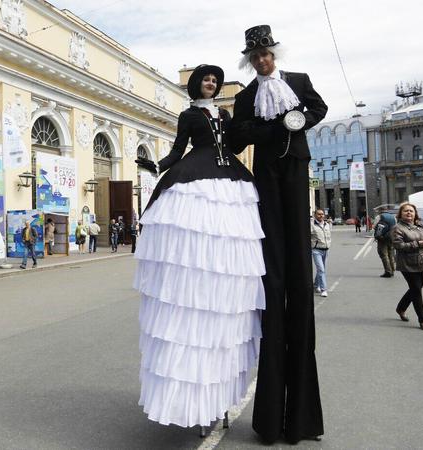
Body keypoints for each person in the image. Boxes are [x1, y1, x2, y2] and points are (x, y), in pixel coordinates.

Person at [134, 64, 264, 429]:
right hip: (195, 174)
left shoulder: (224, 114)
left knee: (233, 249)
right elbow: (177, 151)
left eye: (216, 81)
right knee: (195, 247)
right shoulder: (189, 115)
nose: (212, 83)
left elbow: (238, 142)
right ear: (197, 84)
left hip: (232, 177)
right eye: (207, 79)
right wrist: (154, 166)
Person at [230, 25, 328, 443]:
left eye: (266, 54)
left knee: (296, 244)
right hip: (266, 169)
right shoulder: (245, 96)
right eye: (255, 57)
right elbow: (238, 136)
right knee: (273, 250)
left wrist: (297, 119)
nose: (262, 61)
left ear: (274, 54)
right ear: (250, 61)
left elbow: (319, 108)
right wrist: (270, 129)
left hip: (296, 163)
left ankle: (302, 419)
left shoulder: (298, 82)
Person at [392, 204, 423, 332]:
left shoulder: (420, 224)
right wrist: (417, 244)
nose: (409, 213)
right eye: (406, 211)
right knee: (416, 289)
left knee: (417, 287)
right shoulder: (397, 228)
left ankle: (401, 308)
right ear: (401, 214)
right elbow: (399, 246)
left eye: (411, 211)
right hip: (407, 263)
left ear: (415, 213)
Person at [311, 209, 331, 298]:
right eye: (319, 214)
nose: (321, 216)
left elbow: (329, 236)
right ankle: (324, 289)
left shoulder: (327, 224)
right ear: (315, 215)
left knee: (322, 270)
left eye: (322, 214)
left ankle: (315, 286)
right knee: (321, 269)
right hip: (316, 250)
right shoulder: (311, 225)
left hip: (326, 250)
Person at [374, 211, 397, 277]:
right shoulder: (393, 217)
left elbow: (375, 226)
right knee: (391, 253)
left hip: (382, 238)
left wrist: (377, 235)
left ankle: (388, 271)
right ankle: (392, 269)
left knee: (383, 254)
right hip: (391, 237)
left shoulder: (379, 217)